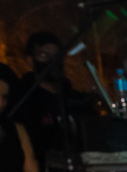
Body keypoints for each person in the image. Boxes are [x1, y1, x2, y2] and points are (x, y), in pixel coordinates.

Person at [13, 31, 89, 164]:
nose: (52, 62)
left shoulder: (76, 99)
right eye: (43, 56)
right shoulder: (23, 100)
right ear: (30, 60)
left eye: (57, 56)